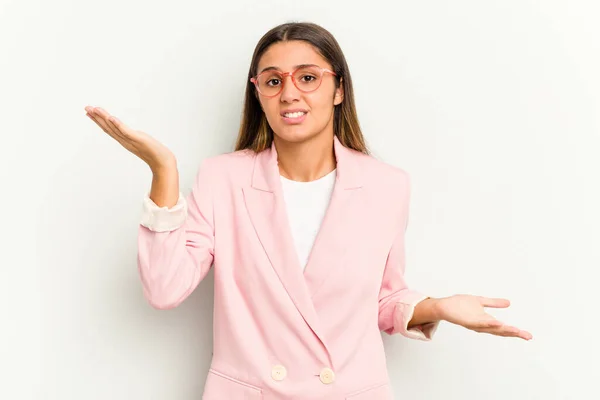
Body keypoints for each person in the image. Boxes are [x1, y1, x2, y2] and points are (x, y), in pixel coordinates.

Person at [84, 21, 532, 400]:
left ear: (338, 88)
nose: (289, 93)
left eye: (308, 77)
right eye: (274, 80)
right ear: (258, 93)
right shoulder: (223, 179)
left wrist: (439, 307)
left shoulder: (386, 185)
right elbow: (164, 289)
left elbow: (382, 299)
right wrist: (164, 172)